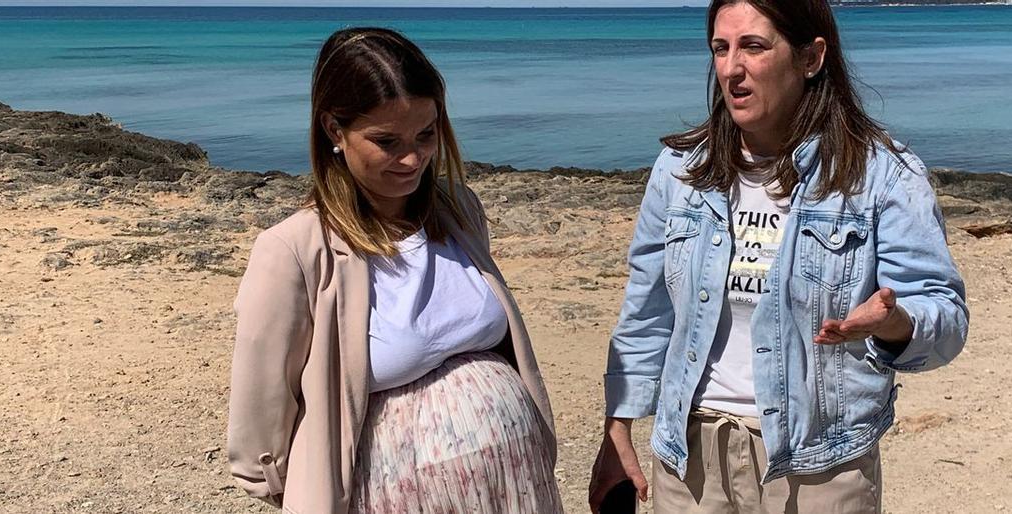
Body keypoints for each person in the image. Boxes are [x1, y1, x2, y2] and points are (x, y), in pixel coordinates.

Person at [588, 0, 969, 512]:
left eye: (753, 47)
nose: (731, 69)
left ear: (810, 58)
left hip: (819, 467)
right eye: (721, 49)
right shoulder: (681, 171)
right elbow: (646, 309)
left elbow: (944, 316)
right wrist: (618, 428)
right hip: (690, 461)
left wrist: (893, 322)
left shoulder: (881, 176)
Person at [226, 27, 562, 514]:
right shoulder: (294, 250)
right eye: (386, 141)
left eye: (426, 134)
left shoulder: (459, 210)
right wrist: (295, 490)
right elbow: (260, 414)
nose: (413, 158)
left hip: (515, 487)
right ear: (333, 130)